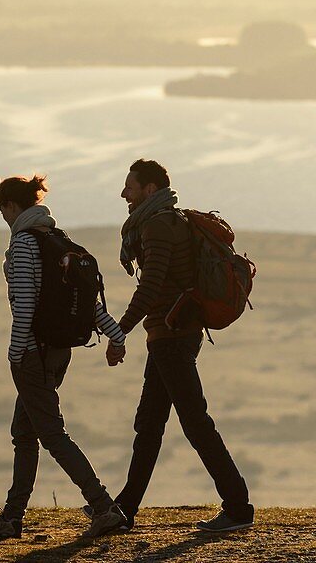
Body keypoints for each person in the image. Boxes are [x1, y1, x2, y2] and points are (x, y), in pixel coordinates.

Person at [109, 158, 254, 532]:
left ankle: (238, 508)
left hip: (172, 335)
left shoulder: (157, 227)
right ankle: (125, 509)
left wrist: (119, 330)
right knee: (150, 424)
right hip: (172, 334)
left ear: (150, 189)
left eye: (130, 185)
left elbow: (151, 285)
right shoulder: (171, 221)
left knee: (194, 422)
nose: (123, 193)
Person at [0, 174, 129, 540]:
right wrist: (116, 335)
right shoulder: (56, 241)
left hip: (33, 352)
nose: (2, 215)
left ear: (13, 207)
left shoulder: (23, 245)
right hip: (59, 351)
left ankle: (103, 506)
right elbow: (87, 304)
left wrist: (17, 353)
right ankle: (12, 517)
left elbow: (25, 304)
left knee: (51, 434)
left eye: (2, 208)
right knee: (25, 431)